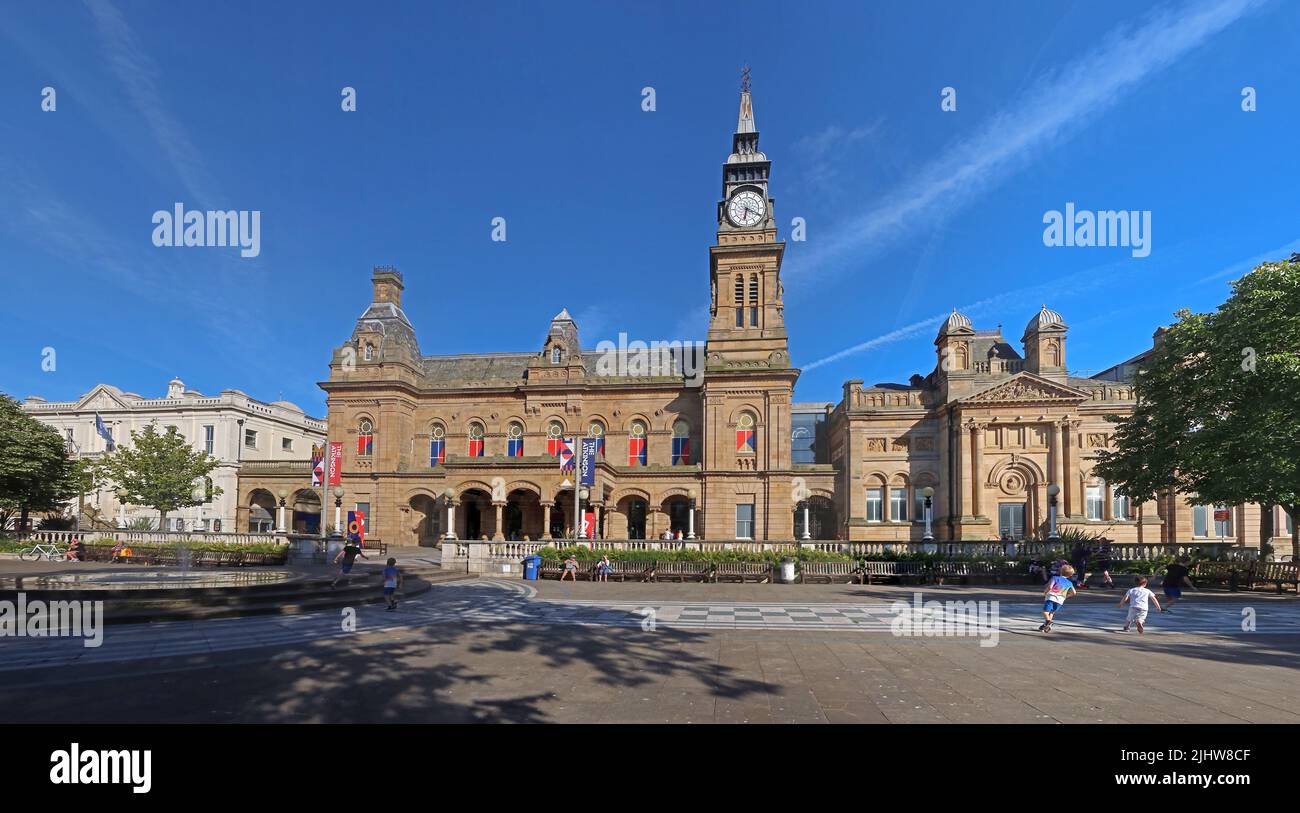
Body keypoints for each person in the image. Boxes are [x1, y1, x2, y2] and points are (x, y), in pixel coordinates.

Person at [1040, 564, 1077, 633]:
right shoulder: (1069, 583)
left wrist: (1045, 592)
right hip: (1061, 599)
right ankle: (1047, 626)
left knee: (1045, 612)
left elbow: (1050, 587)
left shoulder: (1055, 578)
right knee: (1051, 612)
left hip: (1052, 596)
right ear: (1070, 575)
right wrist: (1066, 596)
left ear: (1060, 571)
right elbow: (1074, 592)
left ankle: (1048, 622)